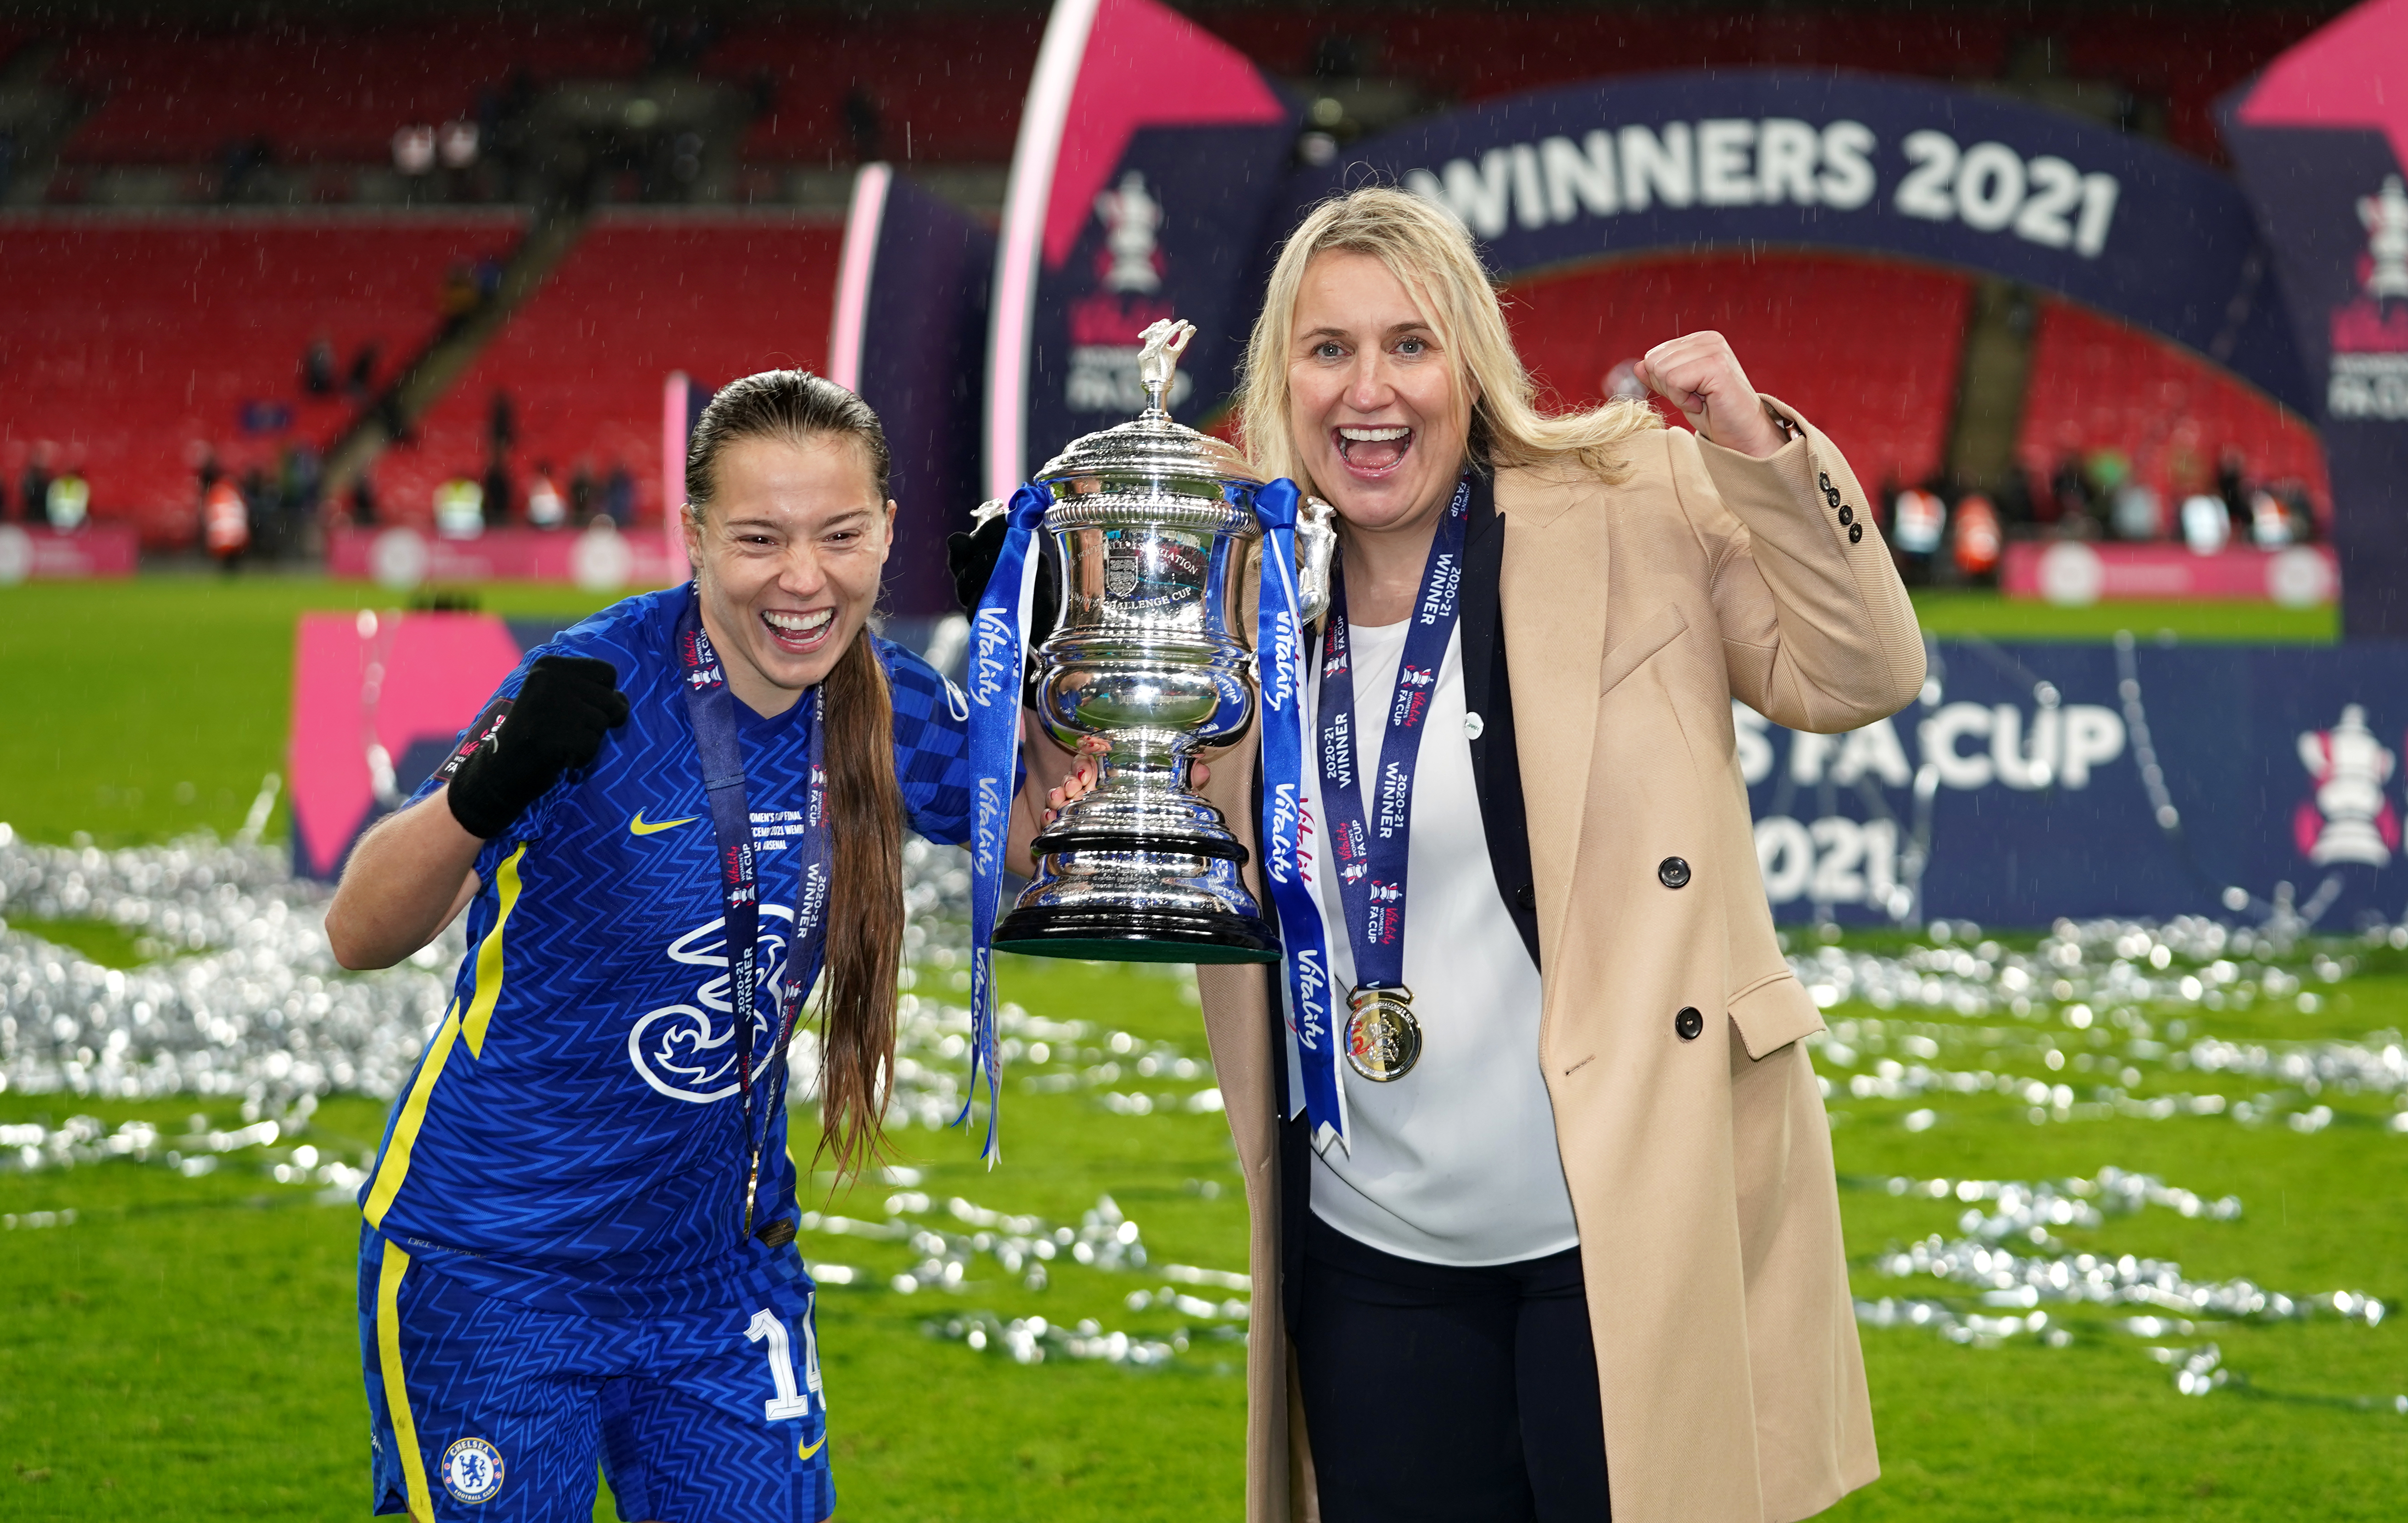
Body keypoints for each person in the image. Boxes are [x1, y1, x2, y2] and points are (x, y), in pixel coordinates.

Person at [1021, 187, 1915, 1522]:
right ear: (1283, 376)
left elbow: (1861, 671)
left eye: (1410, 345)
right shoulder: (1236, 580)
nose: (1368, 391)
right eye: (1328, 350)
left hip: (1616, 1238)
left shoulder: (1633, 493)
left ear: (1472, 365)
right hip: (1368, 1252)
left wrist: (1757, 446)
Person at [325, 370, 977, 1523]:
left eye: (838, 535)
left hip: (718, 1279)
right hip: (496, 1269)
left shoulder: (893, 706)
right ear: (691, 537)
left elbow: (1056, 832)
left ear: (885, 531)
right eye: (758, 538)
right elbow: (360, 930)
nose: (801, 579)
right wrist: (483, 789)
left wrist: (1073, 665)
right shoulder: (597, 684)